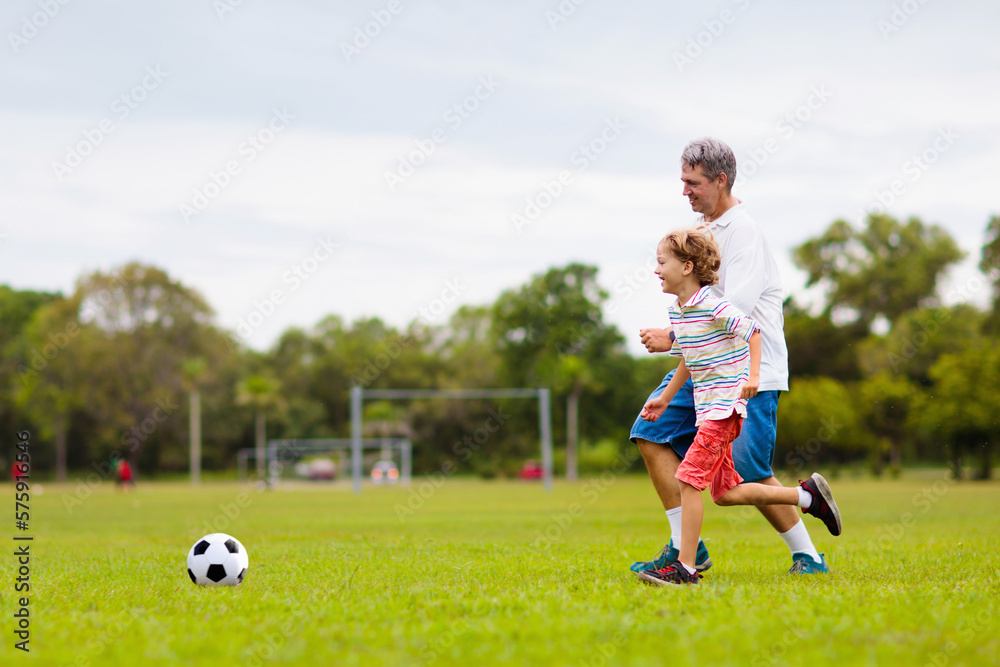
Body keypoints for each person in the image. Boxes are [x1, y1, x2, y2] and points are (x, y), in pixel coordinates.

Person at [630, 137, 831, 575]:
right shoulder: (704, 232)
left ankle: (809, 555)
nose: (685, 191)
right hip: (704, 371)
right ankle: (687, 548)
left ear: (720, 181)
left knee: (746, 472)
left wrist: (673, 338)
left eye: (692, 182)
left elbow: (735, 312)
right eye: (682, 181)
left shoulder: (744, 232)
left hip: (747, 373)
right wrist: (679, 342)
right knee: (651, 429)